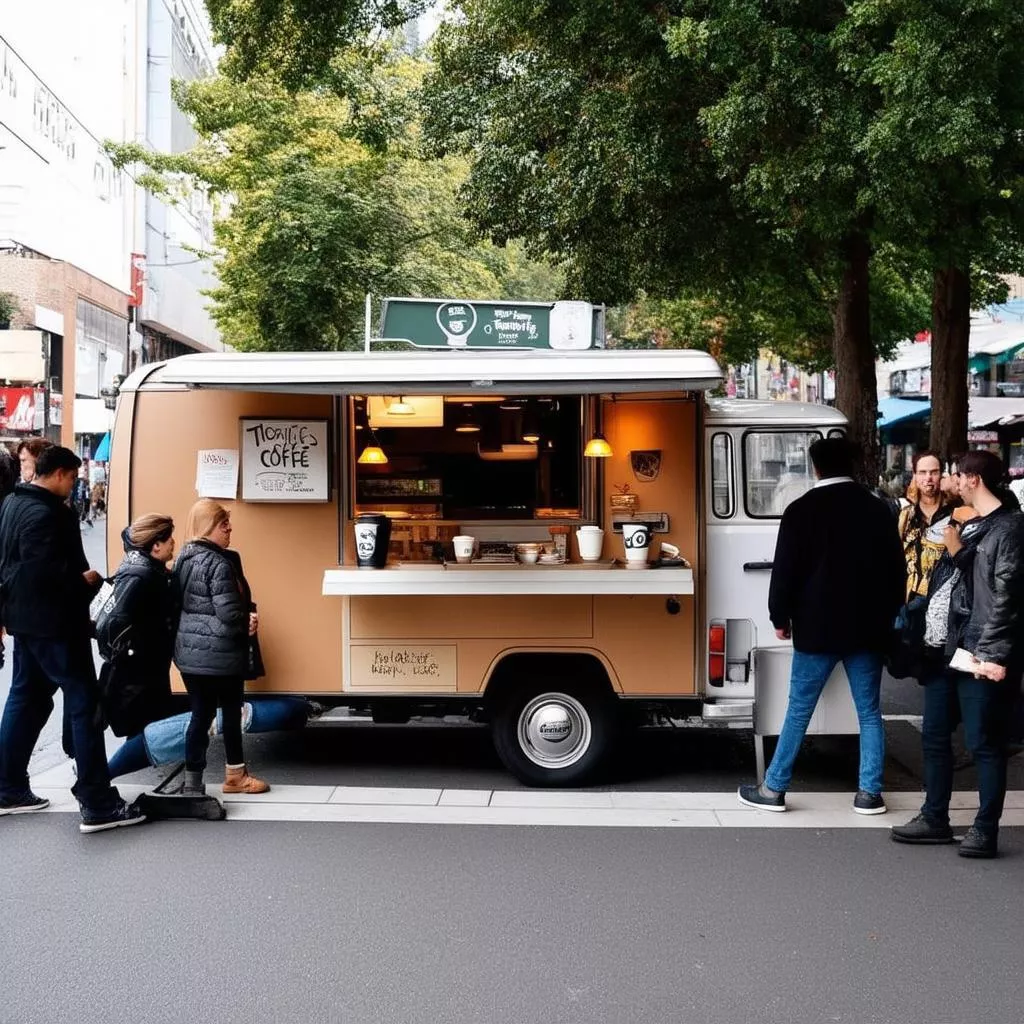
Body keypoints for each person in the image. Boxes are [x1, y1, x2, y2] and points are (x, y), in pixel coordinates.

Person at [738, 437, 906, 814]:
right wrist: (887, 617)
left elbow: (785, 573)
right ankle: (869, 794)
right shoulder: (878, 510)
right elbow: (897, 573)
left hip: (815, 630)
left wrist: (779, 618)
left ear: (814, 467)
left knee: (798, 709)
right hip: (867, 632)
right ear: (854, 464)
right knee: (869, 712)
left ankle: (775, 788)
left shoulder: (801, 510)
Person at [0, 445, 145, 831]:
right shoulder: (47, 514)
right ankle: (97, 802)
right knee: (84, 703)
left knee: (26, 697)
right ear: (62, 473)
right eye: (73, 477)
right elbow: (41, 574)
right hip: (56, 624)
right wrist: (84, 581)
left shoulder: (12, 505)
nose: (75, 484)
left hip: (23, 621)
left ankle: (8, 787)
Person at [891, 450, 1024, 858]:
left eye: (956, 475)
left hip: (979, 651)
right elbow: (962, 580)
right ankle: (935, 816)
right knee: (934, 735)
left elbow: (1006, 598)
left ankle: (985, 829)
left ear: (973, 479)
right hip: (948, 649)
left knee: (985, 741)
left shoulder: (1010, 529)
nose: (950, 480)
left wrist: (994, 656)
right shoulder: (969, 526)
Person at [173, 499, 269, 796]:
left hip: (190, 653)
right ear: (207, 527)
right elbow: (228, 612)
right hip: (220, 654)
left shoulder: (184, 558)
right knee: (229, 711)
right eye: (222, 523)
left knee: (200, 715)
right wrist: (247, 621)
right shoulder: (218, 562)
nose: (229, 527)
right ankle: (235, 776)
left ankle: (193, 782)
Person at [95, 515, 178, 739]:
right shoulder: (143, 575)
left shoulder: (138, 565)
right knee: (146, 730)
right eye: (170, 538)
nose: (174, 543)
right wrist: (128, 651)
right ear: (156, 545)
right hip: (140, 669)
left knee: (148, 727)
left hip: (142, 665)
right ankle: (105, 772)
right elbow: (114, 621)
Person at [897, 451, 956, 601]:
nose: (928, 478)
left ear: (941, 475)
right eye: (922, 472)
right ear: (915, 476)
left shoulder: (956, 515)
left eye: (933, 472)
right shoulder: (905, 515)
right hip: (908, 601)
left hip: (944, 599)